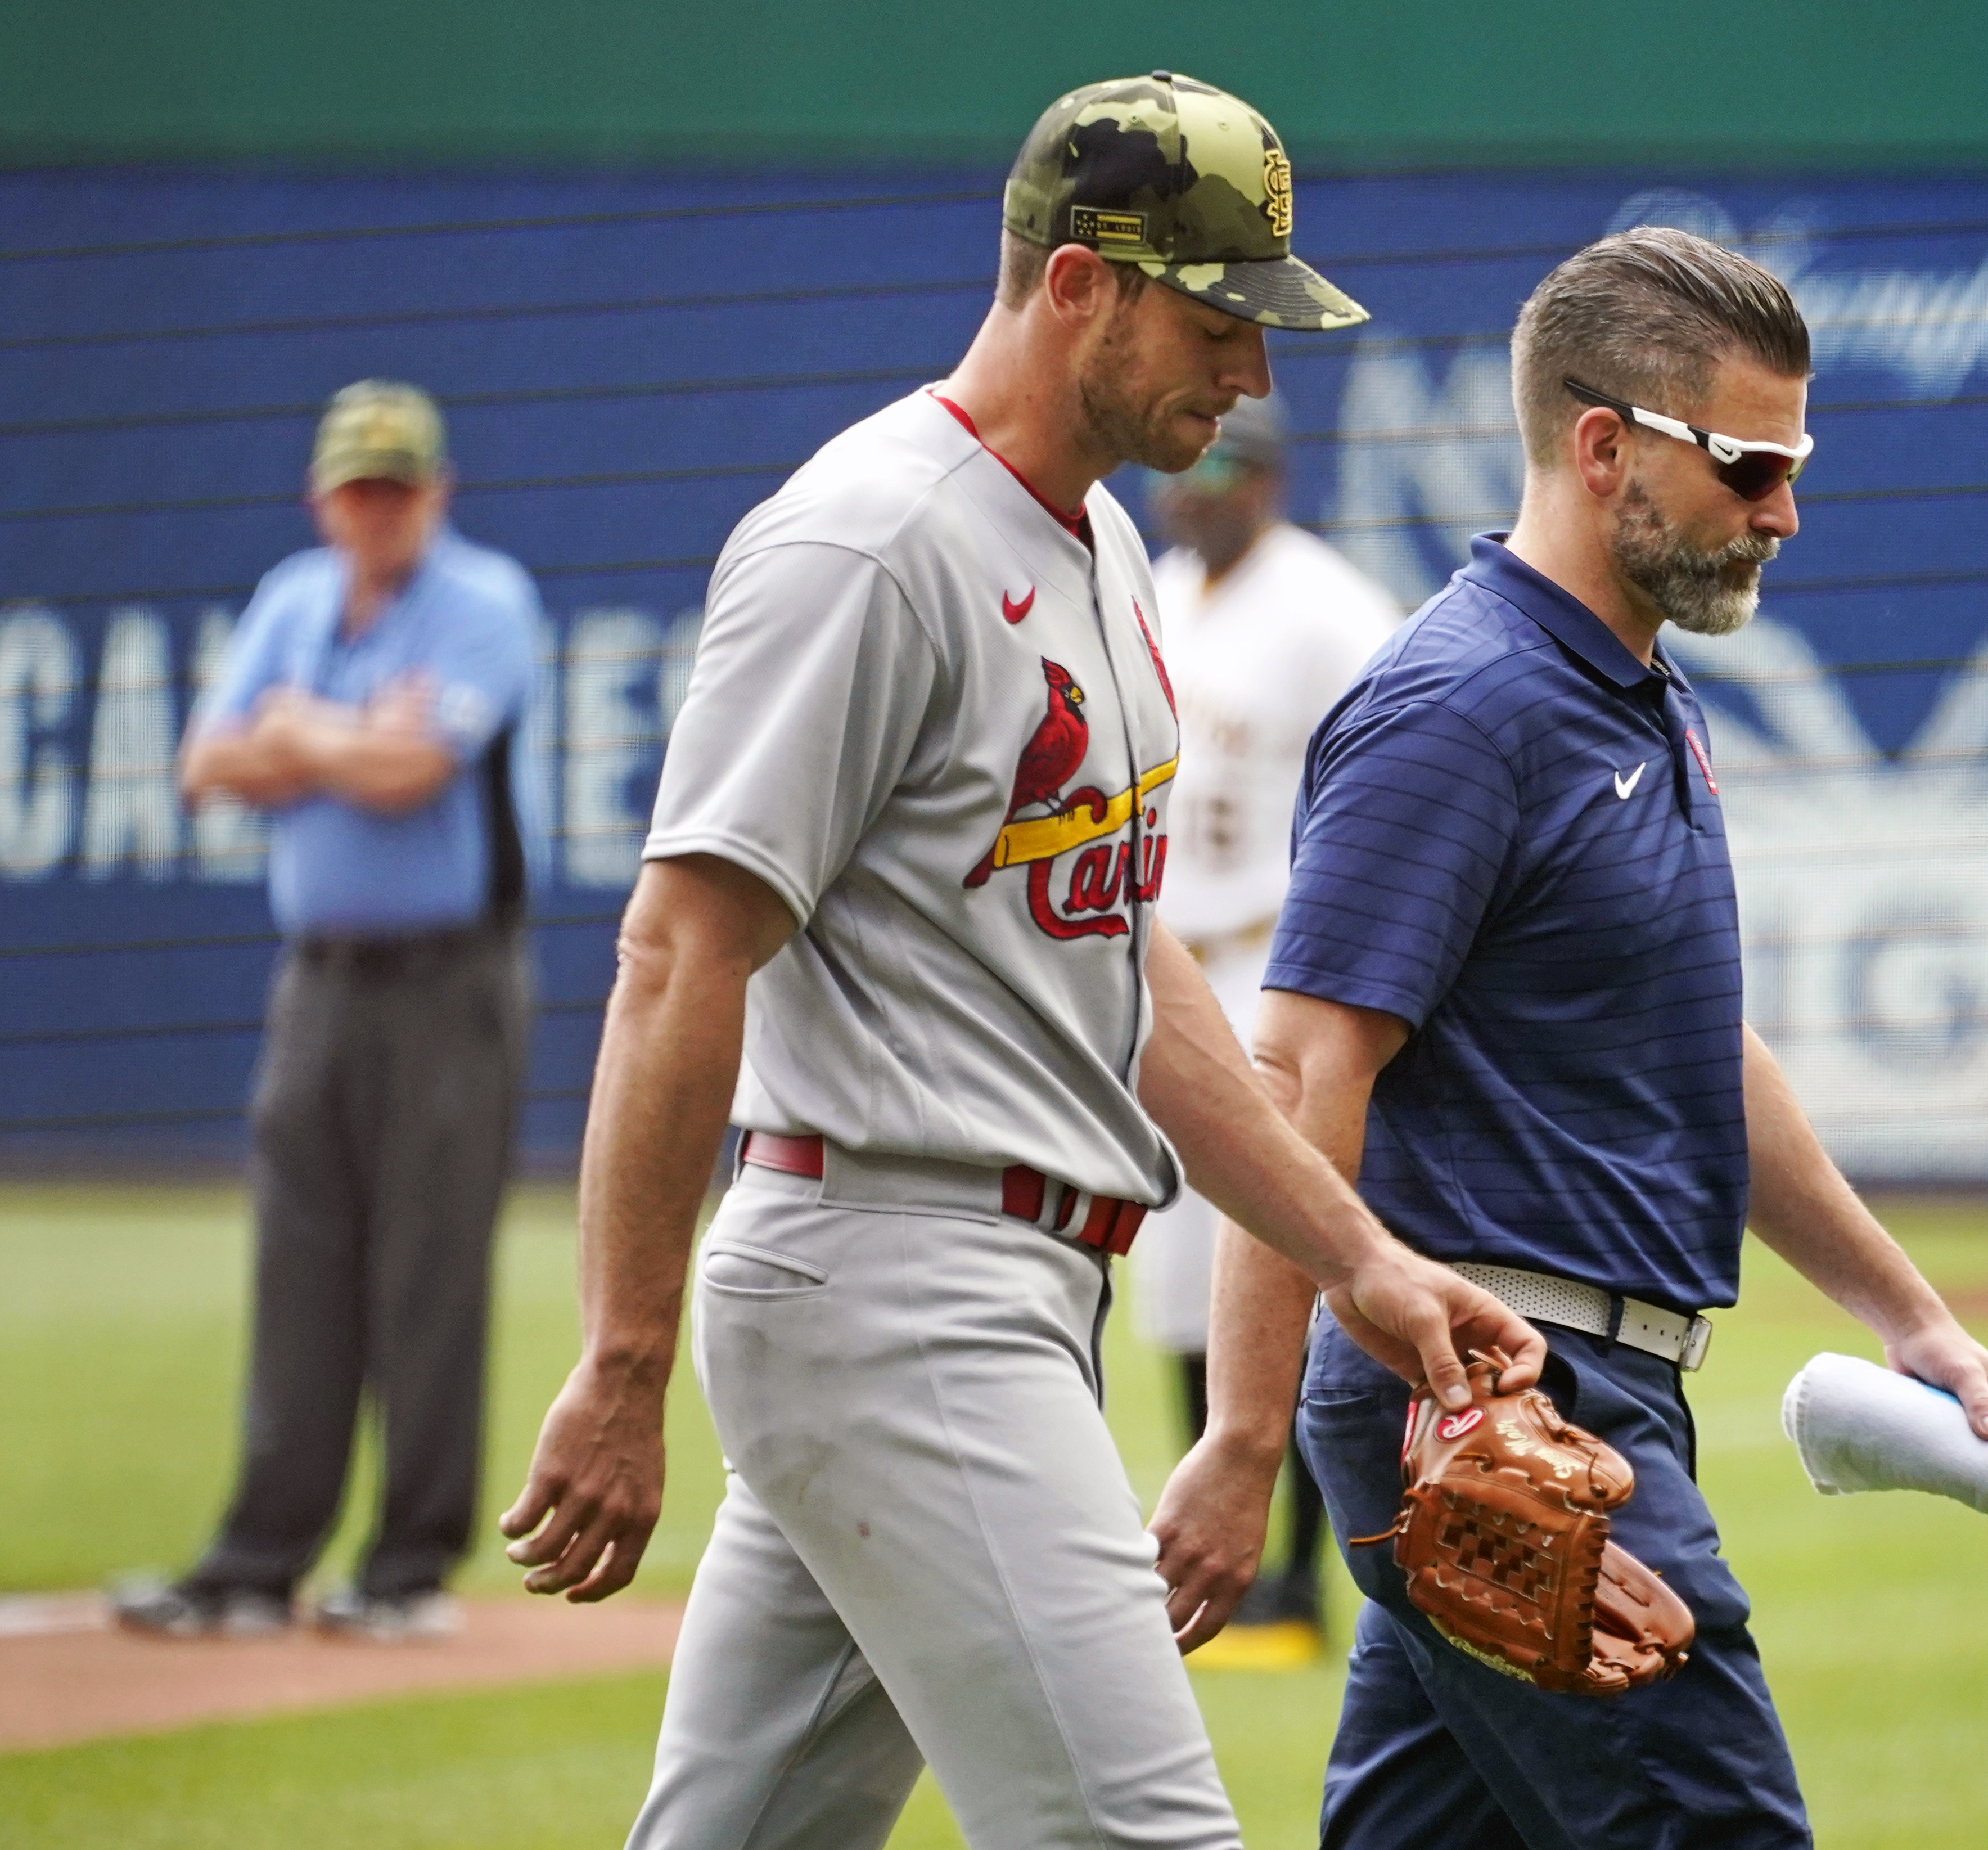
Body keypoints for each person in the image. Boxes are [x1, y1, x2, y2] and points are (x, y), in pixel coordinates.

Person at [492, 73, 1544, 1850]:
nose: (1254, 371)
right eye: (1217, 318)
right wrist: (619, 1357)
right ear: (1078, 287)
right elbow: (680, 952)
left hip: (998, 1283)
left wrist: (1355, 1253)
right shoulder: (867, 541)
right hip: (896, 1279)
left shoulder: (1098, 539)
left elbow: (1119, 973)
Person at [1151, 227, 1988, 1847]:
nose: (1782, 509)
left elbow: (1707, 1054)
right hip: (1502, 1404)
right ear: (1600, 445)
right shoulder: (1459, 706)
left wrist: (1904, 1312)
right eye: (1749, 464)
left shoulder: (1637, 693)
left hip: (1565, 1386)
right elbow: (1298, 1074)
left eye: (1792, 462)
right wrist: (1239, 1436)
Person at [112, 379, 539, 1644]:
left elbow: (416, 775)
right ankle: (256, 1560)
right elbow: (202, 765)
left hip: (449, 981)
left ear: (438, 492)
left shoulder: (486, 601)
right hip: (317, 980)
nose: (380, 509)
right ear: (323, 497)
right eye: (360, 488)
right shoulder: (293, 597)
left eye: (401, 487)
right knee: (297, 1266)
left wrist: (297, 731)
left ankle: (406, 1568)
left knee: (427, 1271)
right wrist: (330, 732)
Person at [1140, 390, 1400, 1664]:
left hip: (1275, 961)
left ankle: (1293, 1577)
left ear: (1274, 477)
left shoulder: (1331, 613)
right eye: (1185, 460)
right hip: (1166, 968)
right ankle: (1227, 1574)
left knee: (1279, 1263)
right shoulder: (1160, 585)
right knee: (1184, 1283)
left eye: (1223, 465)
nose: (1193, 485)